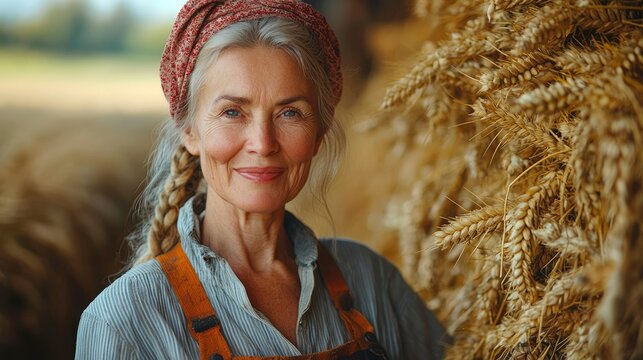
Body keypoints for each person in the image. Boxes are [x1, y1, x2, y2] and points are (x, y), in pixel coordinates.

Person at [75, 1, 447, 359]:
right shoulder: (123, 322)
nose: (263, 143)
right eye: (233, 111)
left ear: (318, 133)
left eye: (289, 112)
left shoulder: (371, 280)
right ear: (189, 131)